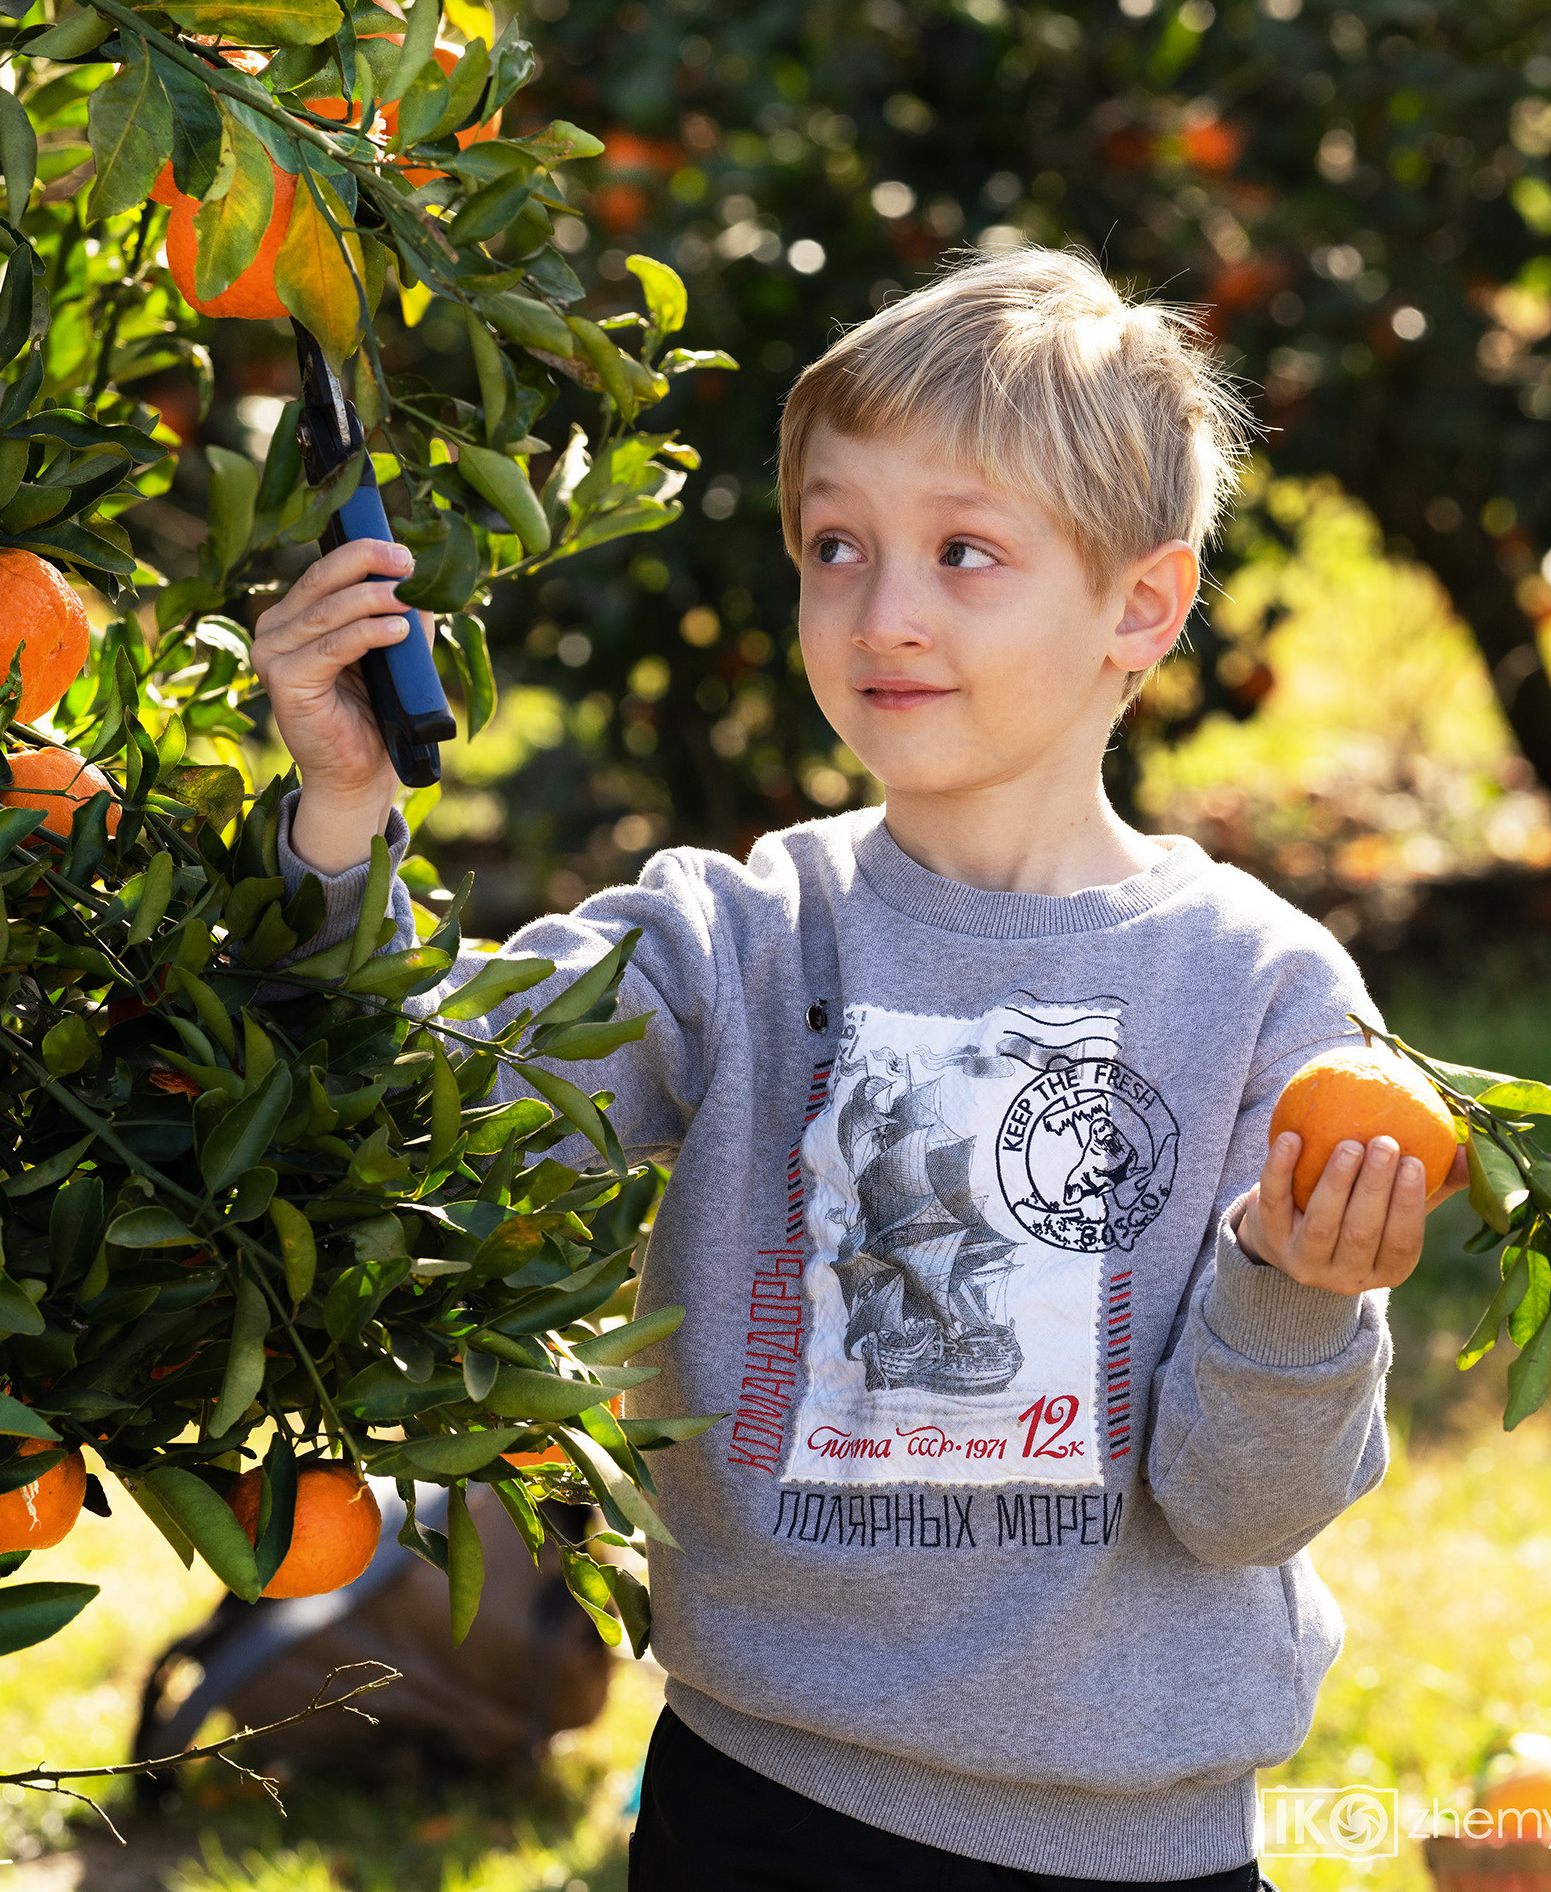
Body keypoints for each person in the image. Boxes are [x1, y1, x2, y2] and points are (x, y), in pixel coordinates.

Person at [250, 246, 1470, 1892]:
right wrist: (341, 810)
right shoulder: (736, 939)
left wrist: (1298, 1296)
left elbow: (1245, 1509)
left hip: (1132, 1848)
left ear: (1142, 605)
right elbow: (420, 1111)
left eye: (966, 552)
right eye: (838, 545)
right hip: (758, 1800)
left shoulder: (1255, 990)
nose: (883, 611)